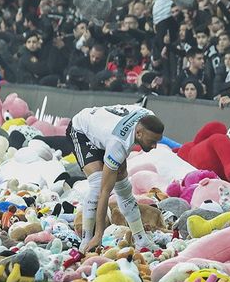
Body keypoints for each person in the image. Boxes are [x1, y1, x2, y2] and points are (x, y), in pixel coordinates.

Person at [63, 105, 166, 253]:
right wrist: (99, 234)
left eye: (157, 141)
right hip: (82, 131)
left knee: (123, 186)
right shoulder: (119, 144)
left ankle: (141, 240)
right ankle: (86, 241)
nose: (155, 146)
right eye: (152, 141)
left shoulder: (148, 115)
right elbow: (105, 192)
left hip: (107, 132)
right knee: (99, 184)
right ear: (138, 133)